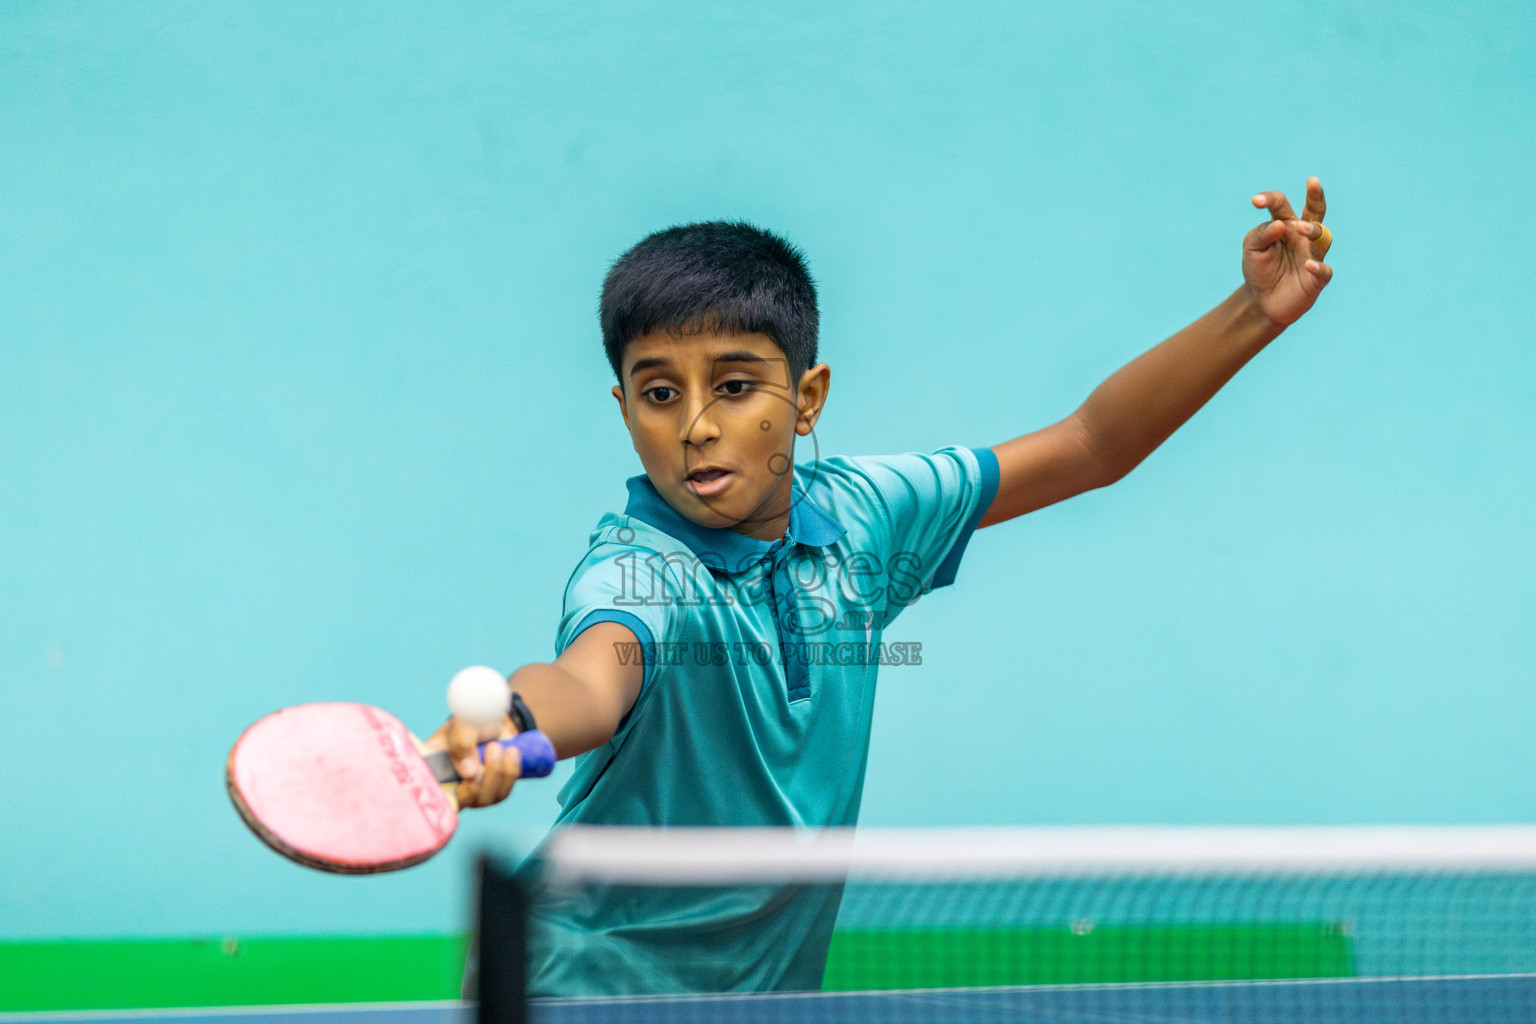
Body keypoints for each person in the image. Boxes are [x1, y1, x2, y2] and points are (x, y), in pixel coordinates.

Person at [429, 180, 1334, 995]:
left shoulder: (868, 517)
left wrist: (1253, 314)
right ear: (625, 408)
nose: (697, 426)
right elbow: (590, 676)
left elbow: (1090, 446)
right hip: (581, 987)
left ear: (808, 397)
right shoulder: (637, 571)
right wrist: (511, 721)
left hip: (760, 996)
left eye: (735, 385)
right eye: (659, 394)